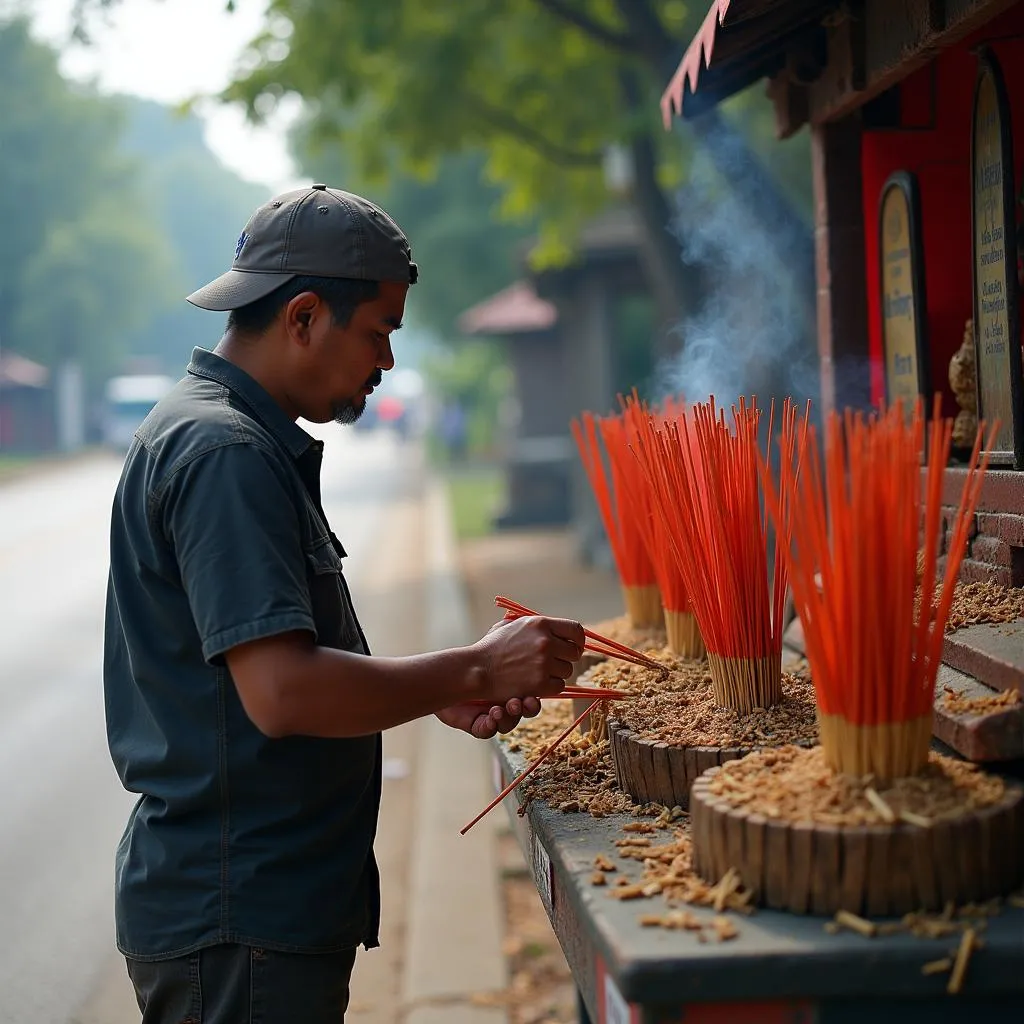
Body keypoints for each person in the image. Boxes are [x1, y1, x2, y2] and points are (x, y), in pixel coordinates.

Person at [103, 183, 585, 1023]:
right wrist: (476, 663)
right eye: (379, 332)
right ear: (302, 317)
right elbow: (283, 692)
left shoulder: (218, 433)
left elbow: (279, 672)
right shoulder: (224, 452)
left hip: (249, 911)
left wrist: (443, 687)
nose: (387, 362)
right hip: (240, 918)